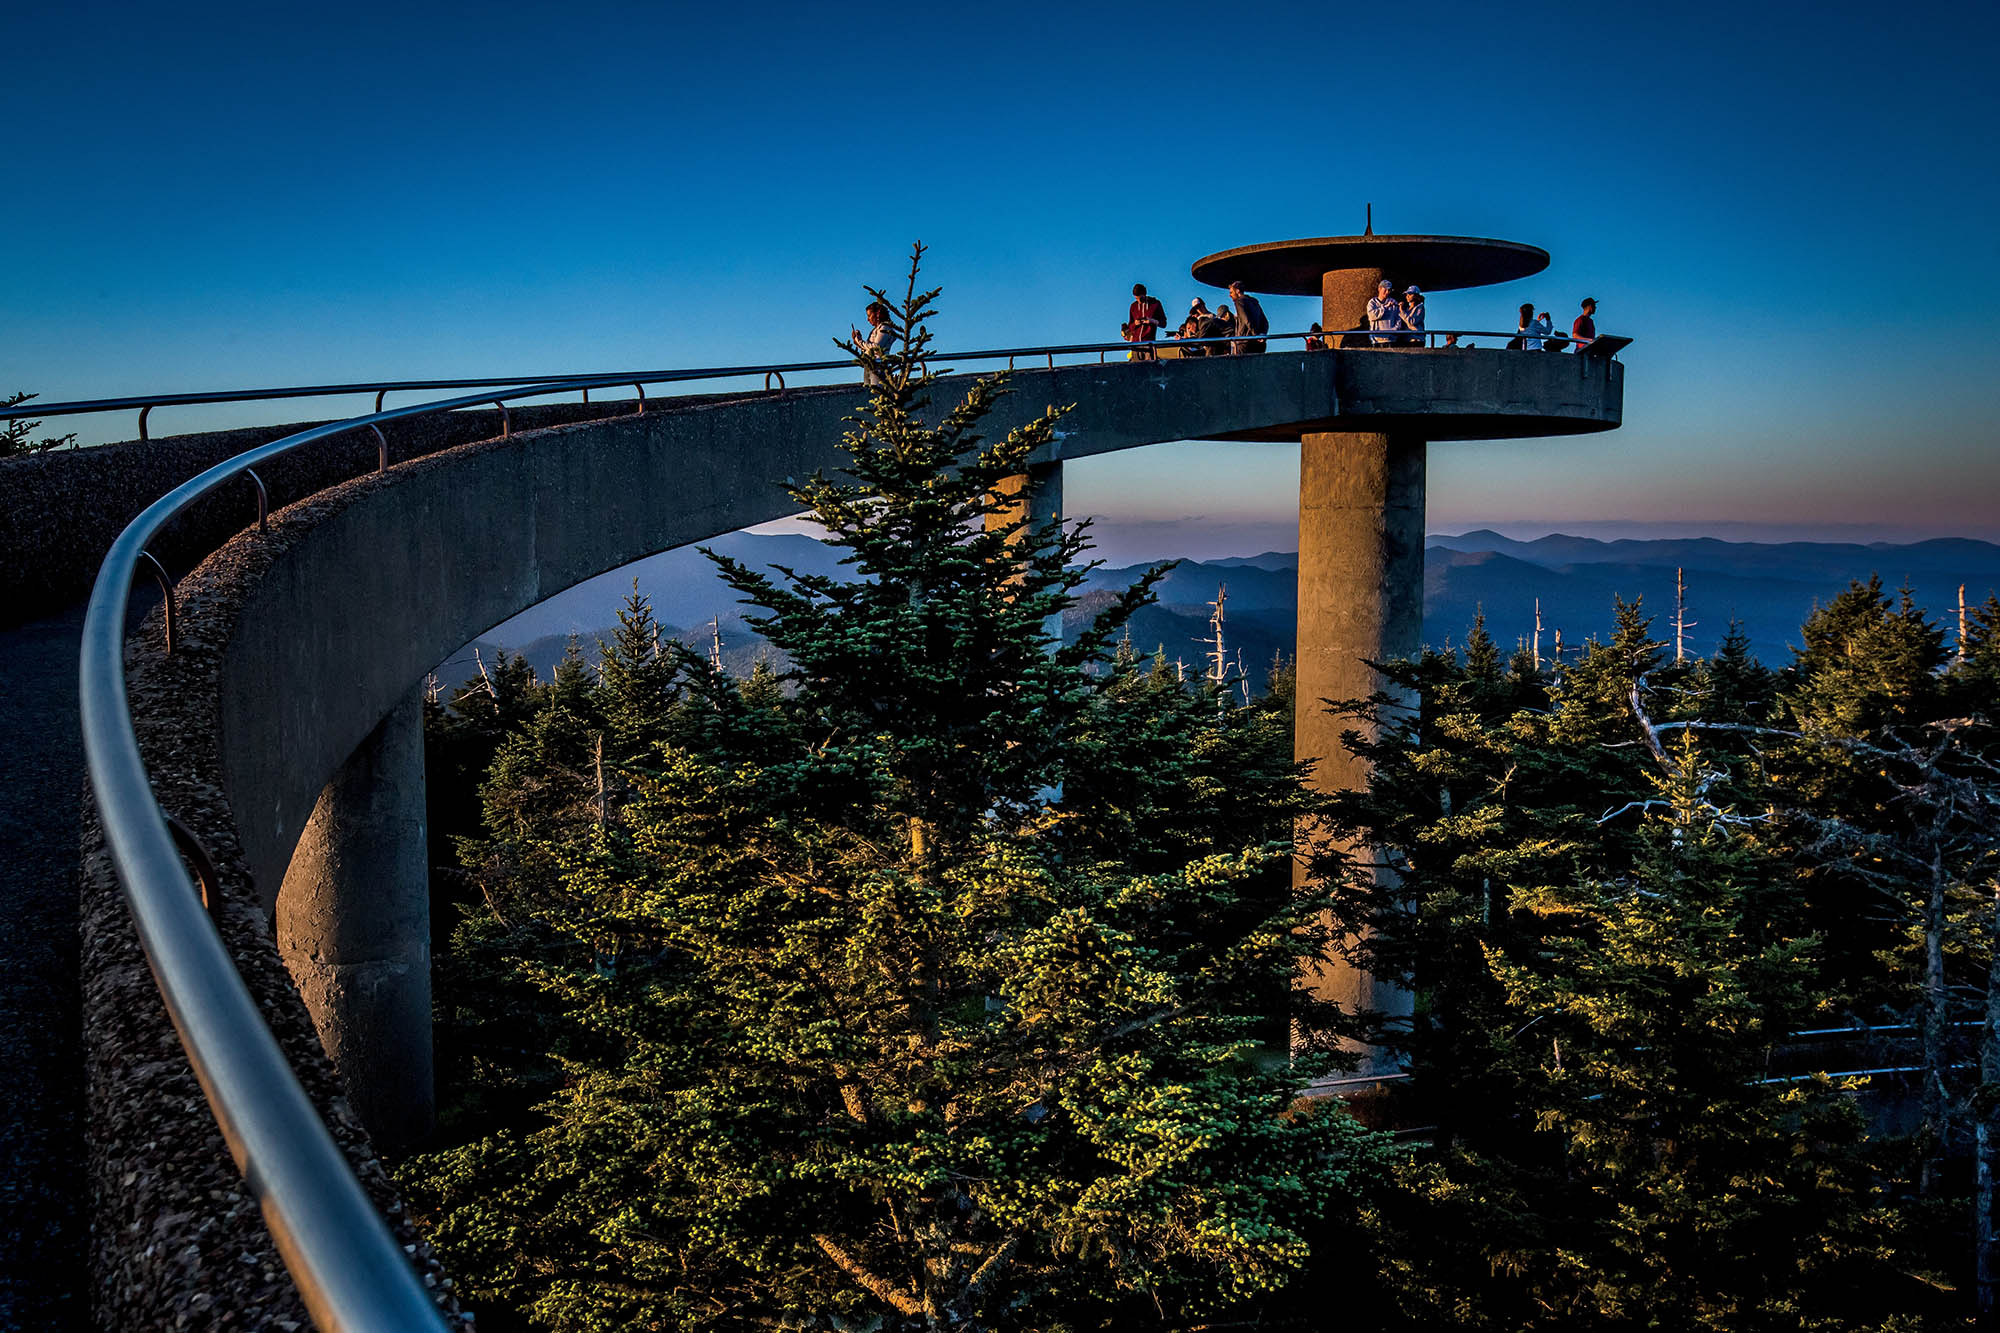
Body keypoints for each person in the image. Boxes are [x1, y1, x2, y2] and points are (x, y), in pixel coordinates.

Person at [851, 301, 895, 386]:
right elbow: (869, 349)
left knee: (877, 389)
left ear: (877, 314)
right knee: (869, 390)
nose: (868, 319)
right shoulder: (875, 330)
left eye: (869, 315)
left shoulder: (884, 328)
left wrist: (860, 341)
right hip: (870, 365)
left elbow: (876, 347)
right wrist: (858, 342)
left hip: (878, 365)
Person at [1122, 283, 1167, 360]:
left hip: (1148, 344)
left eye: (1140, 298)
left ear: (1144, 294)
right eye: (1136, 299)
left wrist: (1152, 321)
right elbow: (1130, 326)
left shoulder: (1155, 304)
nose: (1139, 301)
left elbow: (1164, 323)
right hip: (1135, 344)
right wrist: (1135, 324)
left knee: (1149, 368)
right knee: (1136, 369)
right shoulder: (1133, 306)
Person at [1227, 281, 1268, 354]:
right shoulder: (1254, 303)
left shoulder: (1239, 302)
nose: (1230, 295)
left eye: (1231, 292)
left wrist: (1255, 334)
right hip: (1258, 343)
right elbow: (1265, 321)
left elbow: (1246, 319)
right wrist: (1262, 334)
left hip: (1244, 341)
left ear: (1237, 291)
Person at [1368, 278, 1406, 346]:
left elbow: (1398, 319)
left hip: (1391, 339)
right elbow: (1372, 316)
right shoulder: (1372, 302)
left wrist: (1393, 331)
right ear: (1379, 289)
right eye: (1385, 289)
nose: (1387, 292)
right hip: (1377, 339)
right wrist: (1385, 307)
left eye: (1389, 290)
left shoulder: (1394, 303)